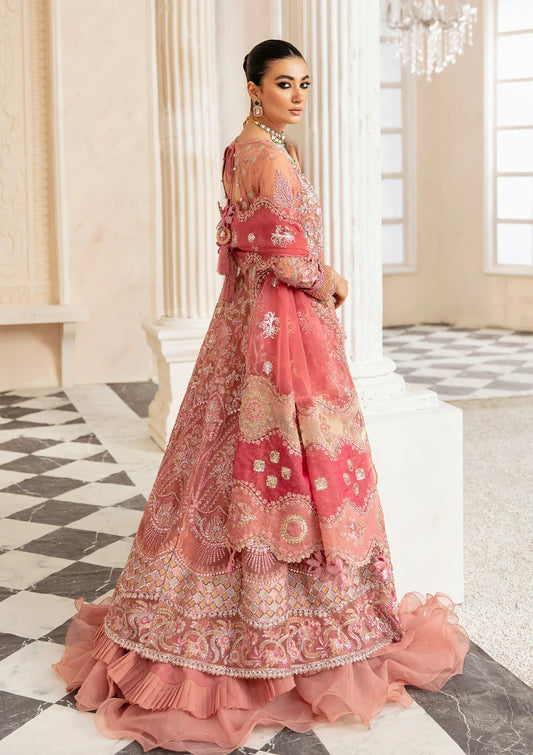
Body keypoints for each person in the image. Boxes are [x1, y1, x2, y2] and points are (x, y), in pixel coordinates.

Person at [52, 38, 470, 755]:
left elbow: (251, 245)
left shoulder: (242, 150)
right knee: (287, 462)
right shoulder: (269, 157)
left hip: (249, 319)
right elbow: (286, 253)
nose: (298, 96)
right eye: (283, 84)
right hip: (282, 327)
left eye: (304, 84)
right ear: (254, 87)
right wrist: (331, 280)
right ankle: (282, 634)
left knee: (227, 460)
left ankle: (228, 615)